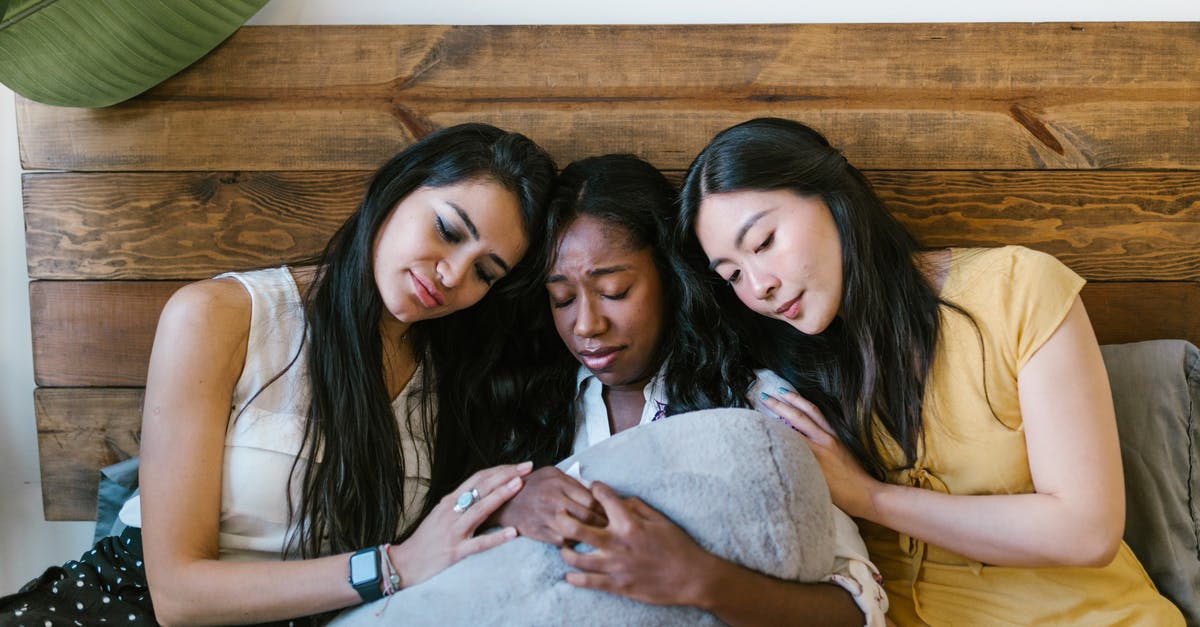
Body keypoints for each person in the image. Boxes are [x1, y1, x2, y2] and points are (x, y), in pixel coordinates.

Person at [0, 123, 557, 626]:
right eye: (447, 230)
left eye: (485, 272)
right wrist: (394, 566)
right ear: (397, 188)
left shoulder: (453, 385)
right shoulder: (221, 315)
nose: (453, 274)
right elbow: (176, 594)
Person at [675, 117, 1186, 625]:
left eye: (764, 241)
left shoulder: (1016, 290)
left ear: (832, 196)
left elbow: (1087, 531)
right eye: (733, 274)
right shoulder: (780, 379)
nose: (758, 285)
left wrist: (869, 497)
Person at [488, 154, 888, 626]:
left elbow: (862, 610)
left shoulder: (760, 408)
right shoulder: (532, 407)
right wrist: (502, 507)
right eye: (562, 298)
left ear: (671, 278)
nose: (586, 325)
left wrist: (701, 580)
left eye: (614, 290)